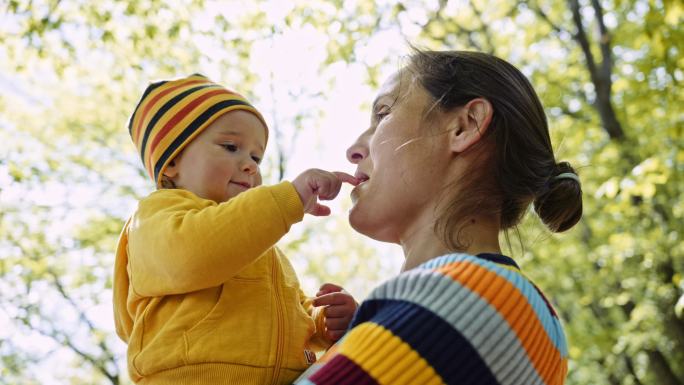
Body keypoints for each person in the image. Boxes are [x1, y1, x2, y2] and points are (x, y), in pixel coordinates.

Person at [294, 50, 581, 385]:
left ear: (465, 125)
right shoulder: (487, 304)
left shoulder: (481, 296)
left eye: (383, 113)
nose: (354, 149)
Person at [113, 74, 359, 384]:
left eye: (256, 157)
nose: (251, 165)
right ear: (172, 161)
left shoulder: (262, 251)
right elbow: (195, 254)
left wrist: (325, 321)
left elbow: (290, 314)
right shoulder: (154, 217)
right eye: (231, 147)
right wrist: (288, 198)